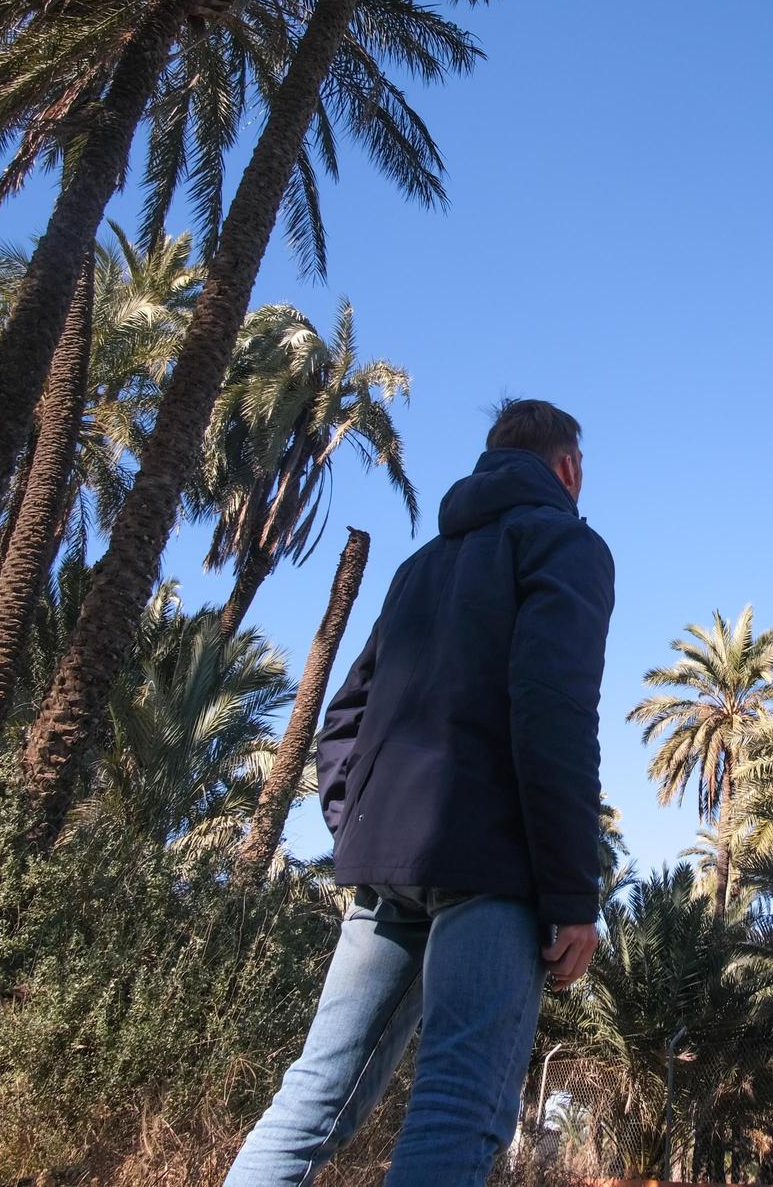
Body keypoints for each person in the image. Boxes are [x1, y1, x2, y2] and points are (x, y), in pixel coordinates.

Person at [225, 398, 615, 1187]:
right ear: (568, 469)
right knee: (458, 1105)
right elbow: (553, 710)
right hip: (493, 875)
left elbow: (343, 721)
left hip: (384, 872)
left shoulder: (418, 568)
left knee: (311, 1098)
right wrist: (573, 895)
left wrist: (359, 828)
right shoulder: (565, 542)